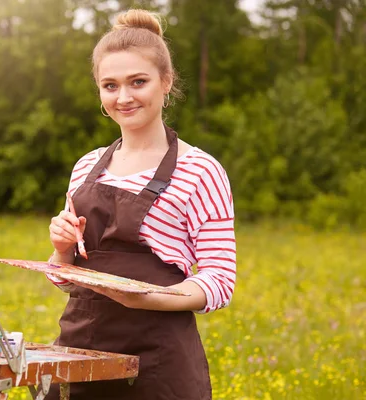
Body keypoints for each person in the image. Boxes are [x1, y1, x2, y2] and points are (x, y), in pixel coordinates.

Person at [45, 9, 236, 400]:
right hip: (81, 349)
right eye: (110, 85)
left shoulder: (200, 170)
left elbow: (219, 280)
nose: (124, 97)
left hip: (158, 362)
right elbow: (67, 278)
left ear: (166, 83)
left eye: (138, 82)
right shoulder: (86, 167)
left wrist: (146, 298)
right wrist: (62, 251)